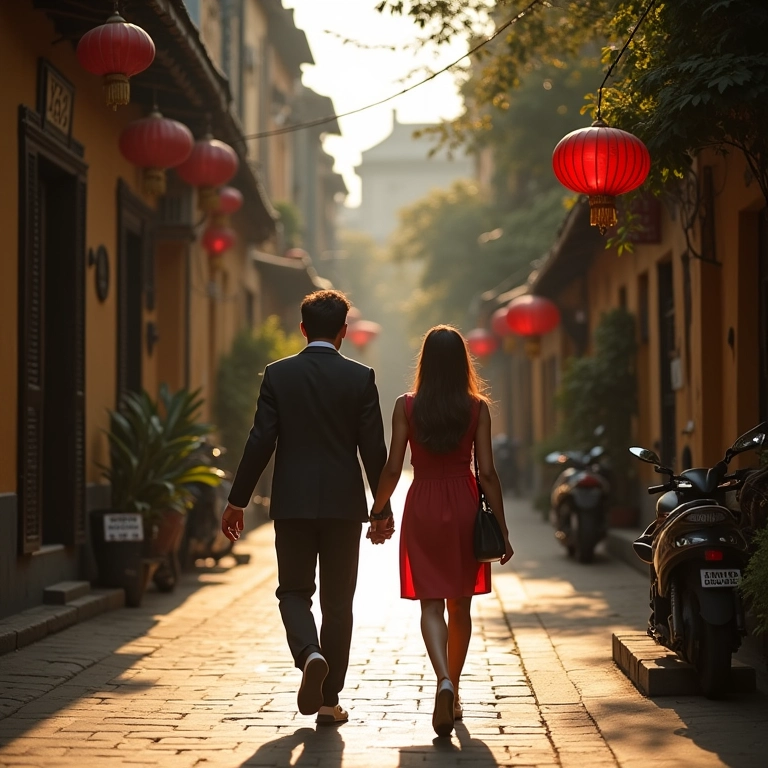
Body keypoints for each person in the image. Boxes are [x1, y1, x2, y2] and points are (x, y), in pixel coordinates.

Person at [221, 290, 393, 726]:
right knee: (339, 604)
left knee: (294, 592)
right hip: (343, 506)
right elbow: (374, 449)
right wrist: (382, 508)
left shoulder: (279, 375)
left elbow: (260, 440)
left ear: (302, 329)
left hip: (293, 504)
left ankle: (308, 652)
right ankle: (328, 700)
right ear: (343, 332)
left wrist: (237, 499)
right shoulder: (360, 378)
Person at [368, 325, 514, 738]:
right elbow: (486, 472)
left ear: (425, 362)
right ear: (462, 362)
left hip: (423, 504)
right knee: (460, 607)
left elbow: (394, 467)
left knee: (430, 603)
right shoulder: (477, 407)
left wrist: (378, 509)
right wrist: (502, 529)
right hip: (465, 505)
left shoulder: (406, 405)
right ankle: (456, 682)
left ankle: (443, 682)